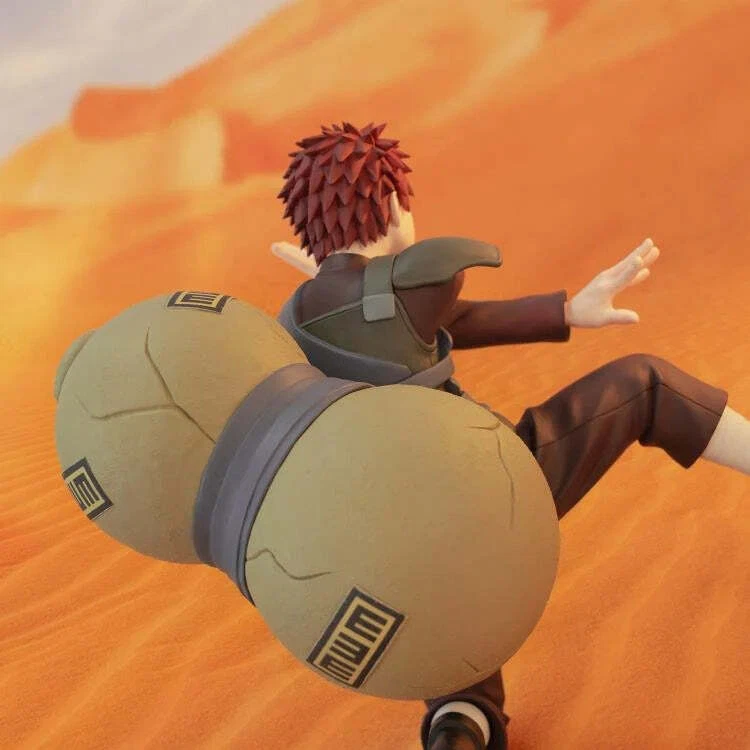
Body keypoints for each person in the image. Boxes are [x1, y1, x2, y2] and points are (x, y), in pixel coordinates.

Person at [271, 122, 750, 750]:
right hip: (491, 485)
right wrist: (363, 276)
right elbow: (427, 304)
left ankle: (460, 722)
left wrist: (566, 311)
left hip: (389, 534)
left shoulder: (295, 318)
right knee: (646, 385)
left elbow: (433, 321)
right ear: (390, 205)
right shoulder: (420, 277)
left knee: (454, 615)